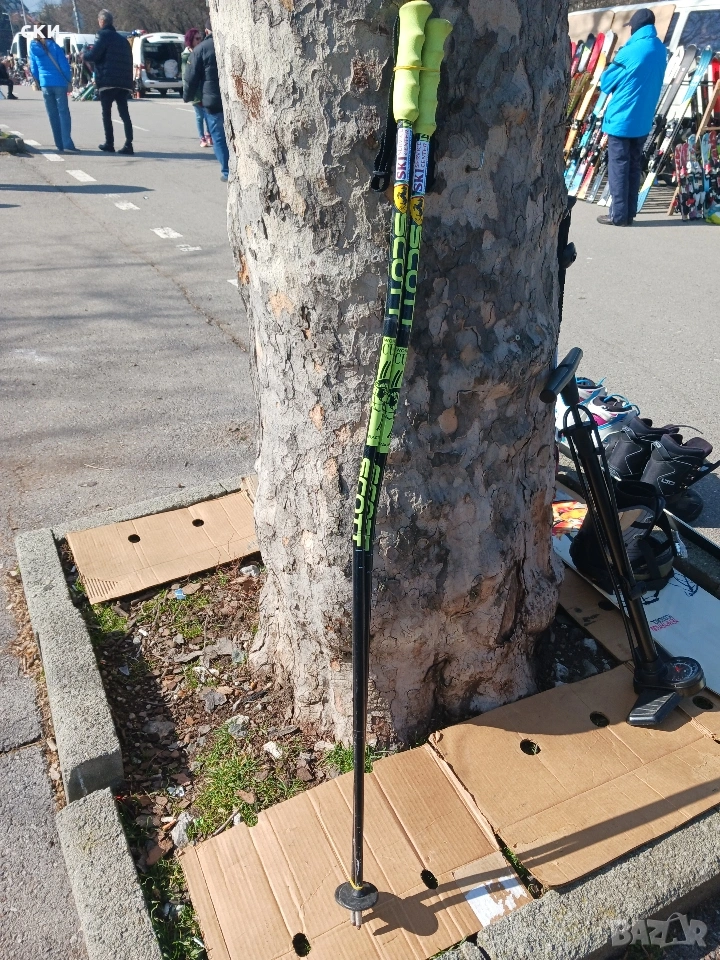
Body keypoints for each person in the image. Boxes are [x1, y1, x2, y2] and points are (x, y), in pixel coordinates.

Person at [597, 8, 667, 226]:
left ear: (635, 27)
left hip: (622, 118)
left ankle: (618, 216)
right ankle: (629, 212)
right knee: (634, 165)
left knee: (618, 166)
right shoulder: (660, 49)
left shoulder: (630, 51)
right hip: (643, 119)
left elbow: (606, 83)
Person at [183, 20, 229, 180]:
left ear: (207, 31)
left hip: (213, 100)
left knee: (219, 137)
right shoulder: (231, 41)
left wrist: (187, 96)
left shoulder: (201, 49)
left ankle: (227, 171)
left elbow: (191, 77)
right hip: (234, 99)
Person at [84, 9, 134, 155]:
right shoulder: (123, 40)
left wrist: (84, 55)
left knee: (106, 113)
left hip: (107, 80)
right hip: (123, 82)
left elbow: (94, 55)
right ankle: (128, 143)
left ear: (102, 21)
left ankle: (109, 143)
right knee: (124, 113)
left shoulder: (102, 35)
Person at [28, 31, 77, 152]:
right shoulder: (55, 47)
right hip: (59, 83)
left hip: (45, 84)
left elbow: (33, 68)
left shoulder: (33, 48)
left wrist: (39, 81)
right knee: (63, 113)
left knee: (52, 114)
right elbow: (64, 66)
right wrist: (68, 80)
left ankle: (58, 143)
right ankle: (67, 143)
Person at [182, 28, 212, 147]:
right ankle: (202, 138)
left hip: (205, 88)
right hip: (194, 90)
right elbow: (186, 76)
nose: (199, 41)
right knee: (200, 116)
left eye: (201, 38)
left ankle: (209, 134)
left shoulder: (202, 51)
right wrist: (187, 92)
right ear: (191, 40)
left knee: (208, 114)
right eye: (197, 38)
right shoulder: (186, 56)